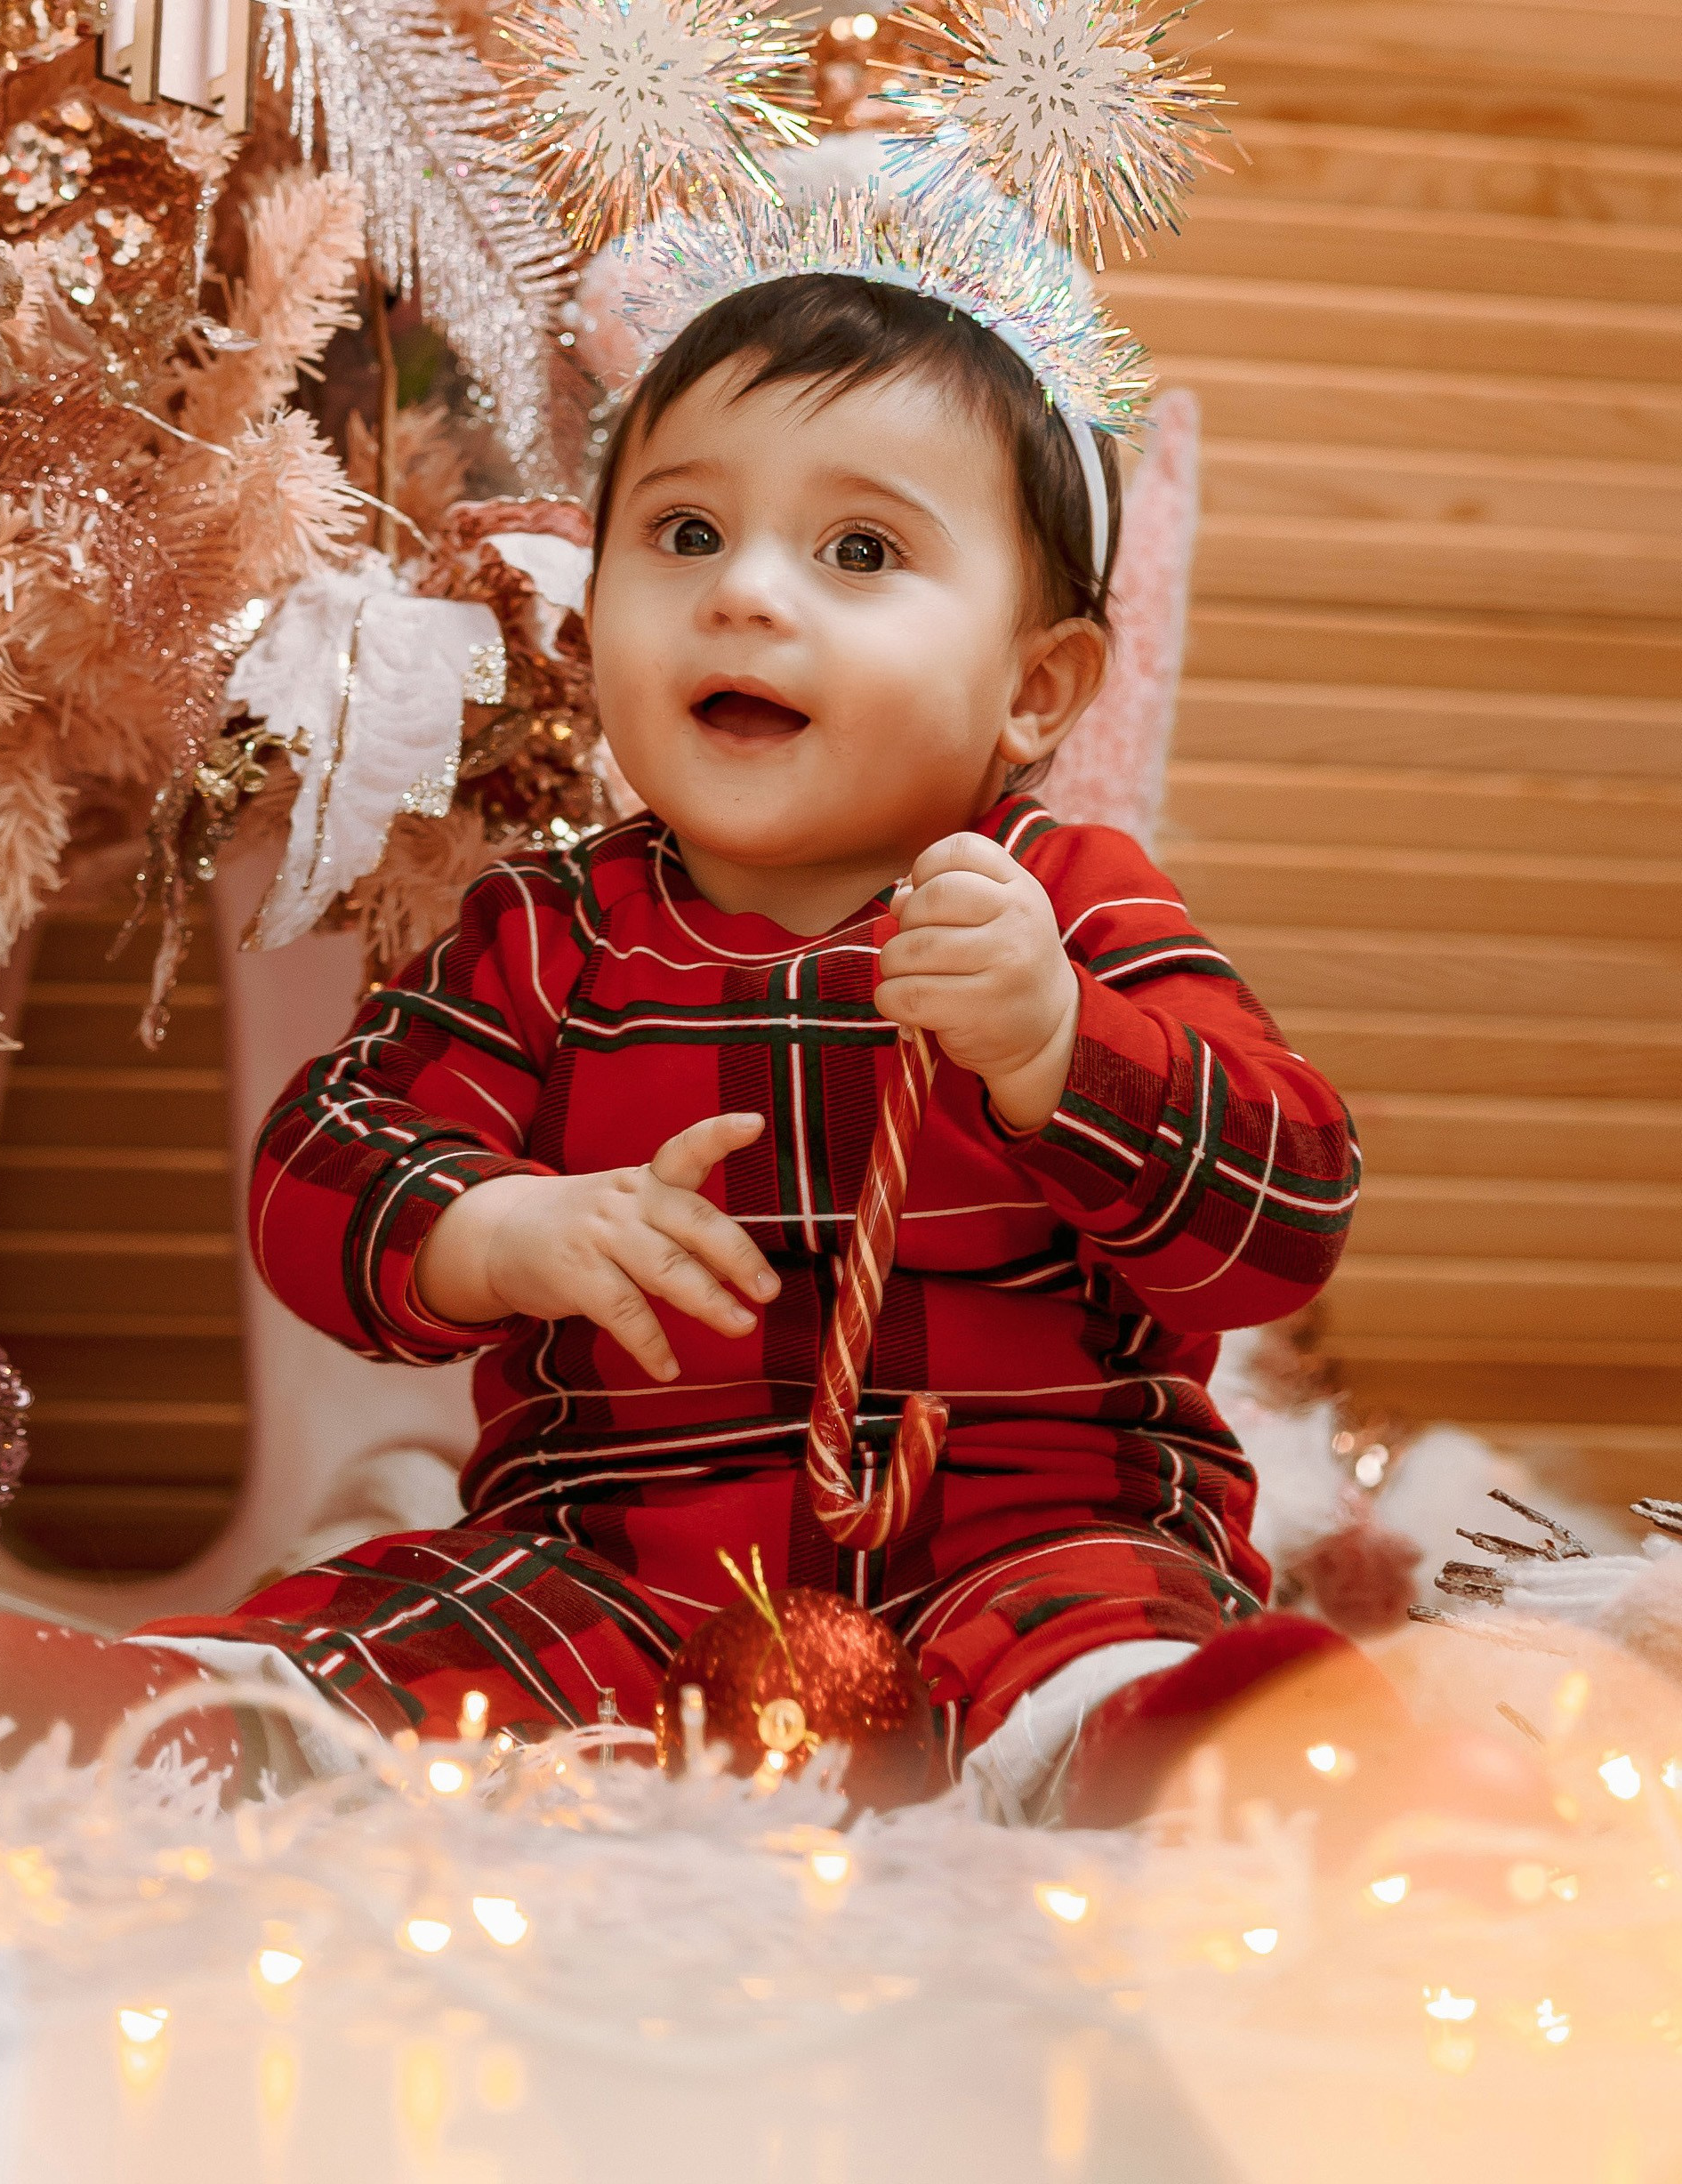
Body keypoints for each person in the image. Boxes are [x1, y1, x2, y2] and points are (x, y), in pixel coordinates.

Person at [141, 267, 1360, 1814]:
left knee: (1101, 1639)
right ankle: (170, 1725)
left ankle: (1174, 1760)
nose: (743, 594)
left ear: (1035, 688)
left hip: (1026, 1538)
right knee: (420, 1640)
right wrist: (499, 1228)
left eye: (860, 550)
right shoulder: (546, 934)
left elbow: (1288, 1211)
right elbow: (320, 1168)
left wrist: (1061, 1048)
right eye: (686, 534)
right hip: (613, 1559)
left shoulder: (1068, 911)